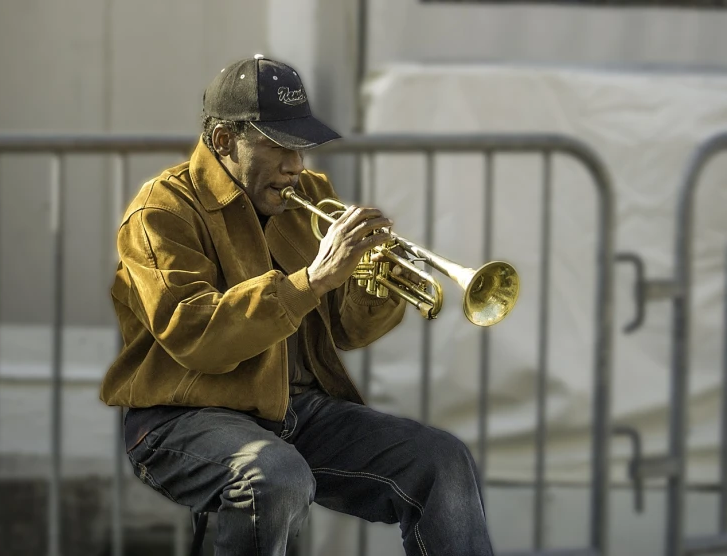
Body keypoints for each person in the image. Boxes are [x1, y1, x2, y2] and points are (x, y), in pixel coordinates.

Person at [100, 54, 494, 556]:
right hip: (181, 416)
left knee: (442, 460)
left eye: (301, 147)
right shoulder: (161, 211)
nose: (295, 166)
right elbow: (194, 335)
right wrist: (310, 281)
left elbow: (346, 332)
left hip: (292, 410)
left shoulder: (307, 194)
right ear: (224, 142)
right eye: (278, 146)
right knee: (275, 477)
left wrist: (371, 289)